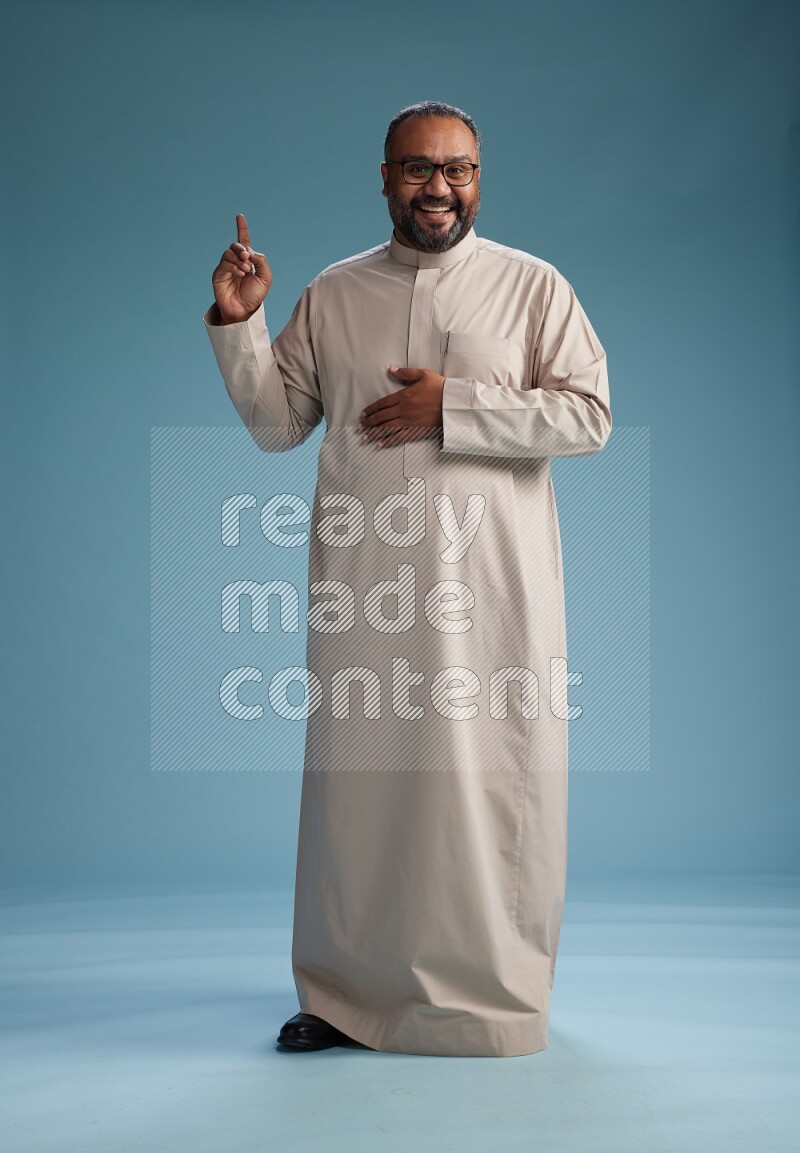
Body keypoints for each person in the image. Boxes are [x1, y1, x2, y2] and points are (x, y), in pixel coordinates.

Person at [203, 100, 611, 1057]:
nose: (439, 188)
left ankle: (498, 997)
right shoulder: (338, 293)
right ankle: (345, 994)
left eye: (457, 169)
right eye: (418, 169)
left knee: (486, 787)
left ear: (480, 178)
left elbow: (588, 415)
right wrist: (239, 323)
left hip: (494, 594)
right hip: (368, 587)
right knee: (364, 792)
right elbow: (275, 422)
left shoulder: (531, 286)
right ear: (384, 178)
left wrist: (454, 406)